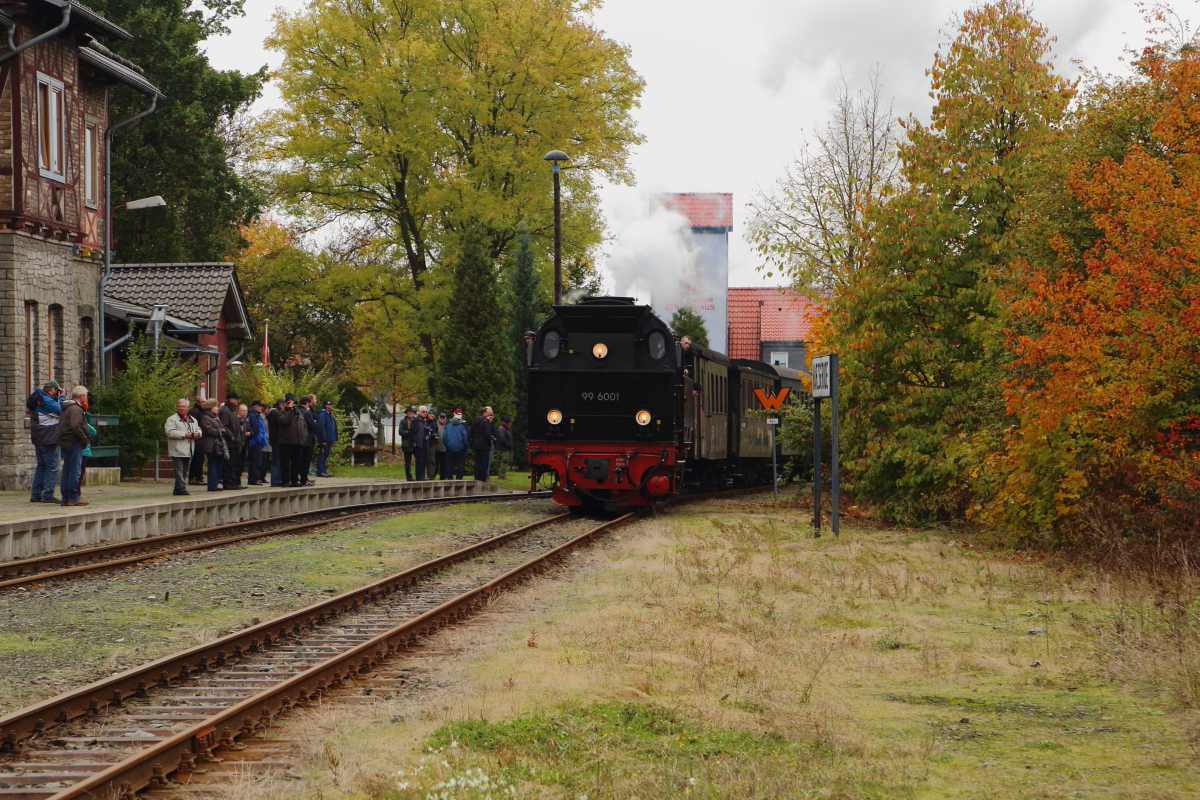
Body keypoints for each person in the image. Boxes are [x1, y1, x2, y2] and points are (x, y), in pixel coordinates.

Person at [26, 379, 62, 503]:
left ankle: (35, 494)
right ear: (52, 390)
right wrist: (61, 398)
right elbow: (62, 411)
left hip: (38, 438)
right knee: (52, 467)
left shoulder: (38, 398)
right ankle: (48, 495)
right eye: (57, 390)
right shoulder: (47, 401)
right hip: (49, 438)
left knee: (41, 466)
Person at [56, 386, 90, 506]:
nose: (86, 398)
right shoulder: (76, 409)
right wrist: (84, 439)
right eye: (86, 395)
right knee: (75, 471)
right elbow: (76, 426)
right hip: (74, 442)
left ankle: (65, 497)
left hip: (65, 442)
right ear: (81, 396)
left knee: (67, 470)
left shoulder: (66, 408)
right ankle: (73, 497)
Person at [165, 398, 202, 496]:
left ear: (187, 407)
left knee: (185, 471)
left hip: (189, 449)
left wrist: (197, 434)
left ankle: (177, 489)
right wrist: (183, 434)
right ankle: (181, 488)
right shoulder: (172, 419)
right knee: (179, 470)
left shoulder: (193, 419)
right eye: (180, 406)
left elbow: (199, 430)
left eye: (183, 406)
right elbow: (169, 432)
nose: (181, 408)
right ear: (177, 407)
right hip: (177, 449)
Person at [276, 393, 308, 487]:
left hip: (298, 442)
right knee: (285, 463)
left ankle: (295, 480)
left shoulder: (299, 412)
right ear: (286, 403)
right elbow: (285, 421)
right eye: (289, 402)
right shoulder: (282, 412)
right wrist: (290, 410)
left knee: (296, 462)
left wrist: (304, 435)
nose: (291, 404)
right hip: (286, 441)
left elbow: (304, 425)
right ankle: (285, 481)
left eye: (292, 402)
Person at [198, 397, 228, 492]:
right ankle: (212, 484)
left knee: (218, 464)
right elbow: (209, 430)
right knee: (213, 464)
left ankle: (215, 483)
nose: (217, 408)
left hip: (217, 445)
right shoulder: (205, 418)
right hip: (210, 445)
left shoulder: (215, 417)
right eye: (216, 406)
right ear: (210, 407)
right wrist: (220, 431)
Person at [219, 391, 246, 489]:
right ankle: (227, 482)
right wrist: (231, 436)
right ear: (230, 400)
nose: (237, 401)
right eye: (236, 399)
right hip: (231, 442)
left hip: (237, 442)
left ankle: (233, 482)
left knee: (235, 464)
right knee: (229, 464)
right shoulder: (225, 410)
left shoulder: (233, 410)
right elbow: (224, 426)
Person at [298, 394, 319, 485]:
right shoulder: (306, 413)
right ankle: (304, 479)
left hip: (297, 439)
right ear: (307, 402)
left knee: (297, 460)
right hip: (307, 439)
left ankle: (297, 479)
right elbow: (312, 425)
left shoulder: (296, 411)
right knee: (305, 461)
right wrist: (315, 422)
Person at [246, 401, 268, 485]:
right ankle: (253, 479)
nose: (262, 408)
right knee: (256, 461)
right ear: (255, 407)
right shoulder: (253, 416)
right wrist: (259, 439)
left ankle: (254, 478)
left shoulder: (256, 415)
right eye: (260, 406)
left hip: (257, 440)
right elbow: (256, 429)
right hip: (255, 441)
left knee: (257, 461)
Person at [471, 406, 494, 482]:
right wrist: (489, 440)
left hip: (476, 443)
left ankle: (477, 476)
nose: (488, 414)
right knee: (484, 461)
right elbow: (487, 433)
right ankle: (483, 477)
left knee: (477, 461)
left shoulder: (475, 421)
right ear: (483, 413)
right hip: (484, 444)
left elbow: (472, 432)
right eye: (487, 412)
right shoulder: (485, 421)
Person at [444, 409, 469, 480]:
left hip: (450, 445)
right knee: (460, 462)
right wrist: (465, 445)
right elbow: (465, 436)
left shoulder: (448, 422)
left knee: (449, 463)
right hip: (461, 446)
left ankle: (449, 476)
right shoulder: (463, 423)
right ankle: (459, 476)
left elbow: (445, 435)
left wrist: (446, 444)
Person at [315, 399, 337, 477]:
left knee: (325, 454)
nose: (332, 406)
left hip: (329, 438)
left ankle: (323, 469)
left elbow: (333, 427)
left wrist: (333, 439)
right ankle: (320, 470)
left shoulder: (329, 415)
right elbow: (321, 427)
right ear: (326, 405)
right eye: (330, 404)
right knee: (322, 454)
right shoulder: (322, 414)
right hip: (325, 438)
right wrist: (323, 439)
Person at [188, 398, 208, 485]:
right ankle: (195, 477)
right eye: (202, 401)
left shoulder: (201, 411)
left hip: (200, 438)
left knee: (200, 459)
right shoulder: (195, 411)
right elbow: (192, 425)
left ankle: (197, 477)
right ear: (198, 402)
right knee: (197, 459)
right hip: (196, 440)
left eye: (205, 401)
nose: (204, 403)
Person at [265, 399, 285, 486]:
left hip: (273, 439)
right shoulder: (276, 413)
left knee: (275, 460)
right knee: (277, 461)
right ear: (281, 405)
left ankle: (275, 479)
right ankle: (276, 480)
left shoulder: (271, 413)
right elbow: (281, 425)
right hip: (278, 439)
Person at [412, 405, 433, 480]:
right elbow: (411, 432)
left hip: (425, 443)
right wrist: (413, 441)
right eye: (423, 412)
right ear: (419, 412)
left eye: (426, 412)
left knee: (424, 460)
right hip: (419, 443)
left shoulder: (425, 421)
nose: (425, 413)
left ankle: (422, 475)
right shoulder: (416, 420)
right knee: (419, 461)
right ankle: (419, 476)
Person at [398, 406, 417, 480]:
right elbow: (401, 431)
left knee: (418, 461)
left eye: (411, 412)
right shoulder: (403, 421)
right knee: (407, 462)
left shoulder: (416, 421)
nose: (410, 413)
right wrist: (409, 432)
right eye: (408, 412)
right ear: (406, 413)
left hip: (415, 443)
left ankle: (418, 475)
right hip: (407, 444)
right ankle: (409, 477)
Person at [432, 411, 448, 479]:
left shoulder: (447, 426)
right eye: (441, 417)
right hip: (436, 448)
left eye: (443, 418)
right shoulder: (435, 424)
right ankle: (433, 475)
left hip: (444, 448)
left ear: (445, 418)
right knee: (435, 463)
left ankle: (443, 476)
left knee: (444, 464)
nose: (442, 419)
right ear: (438, 418)